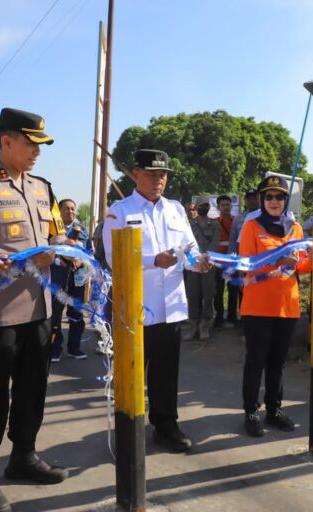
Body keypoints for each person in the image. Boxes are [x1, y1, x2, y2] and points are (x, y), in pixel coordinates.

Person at [0, 108, 68, 511]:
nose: (37, 152)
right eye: (31, 143)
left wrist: (61, 247)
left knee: (33, 389)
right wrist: (20, 259)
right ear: (7, 142)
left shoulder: (42, 188)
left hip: (39, 308)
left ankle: (23, 456)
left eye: (39, 145)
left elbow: (55, 232)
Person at [103, 149, 210, 453]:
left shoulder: (175, 209)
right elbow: (114, 259)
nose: (158, 180)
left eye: (162, 175)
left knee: (166, 372)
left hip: (171, 306)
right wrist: (153, 260)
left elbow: (188, 250)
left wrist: (198, 263)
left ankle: (165, 425)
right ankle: (128, 427)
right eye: (151, 174)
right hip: (136, 308)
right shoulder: (119, 211)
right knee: (132, 372)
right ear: (135, 174)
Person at [239, 176, 311, 437]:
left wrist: (309, 259)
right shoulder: (252, 226)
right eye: (268, 196)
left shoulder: (296, 229)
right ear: (261, 200)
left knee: (277, 362)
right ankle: (250, 412)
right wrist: (275, 259)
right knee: (256, 360)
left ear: (285, 200)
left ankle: (274, 409)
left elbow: (301, 265)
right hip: (257, 305)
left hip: (287, 305)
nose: (274, 201)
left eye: (279, 197)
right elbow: (247, 261)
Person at [50, 198, 91, 362]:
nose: (70, 212)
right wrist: (60, 260)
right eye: (66, 209)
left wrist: (81, 260)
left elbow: (89, 252)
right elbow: (46, 252)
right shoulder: (52, 231)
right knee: (55, 316)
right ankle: (55, 349)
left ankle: (74, 347)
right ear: (59, 212)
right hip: (58, 278)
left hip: (77, 280)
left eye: (73, 209)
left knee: (76, 314)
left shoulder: (82, 231)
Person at [185, 196, 219, 340]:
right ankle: (193, 326)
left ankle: (205, 326)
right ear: (196, 207)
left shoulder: (215, 224)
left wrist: (206, 260)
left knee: (208, 295)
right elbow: (185, 245)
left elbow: (214, 243)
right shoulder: (189, 224)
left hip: (208, 265)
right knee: (193, 295)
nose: (204, 207)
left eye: (206, 205)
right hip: (193, 266)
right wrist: (194, 262)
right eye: (201, 205)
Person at [214, 194, 239, 327]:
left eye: (227, 205)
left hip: (233, 260)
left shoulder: (237, 221)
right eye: (222, 205)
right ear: (218, 207)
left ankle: (231, 316)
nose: (225, 207)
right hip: (218, 261)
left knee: (233, 288)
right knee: (218, 290)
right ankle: (218, 317)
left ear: (231, 206)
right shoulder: (214, 222)